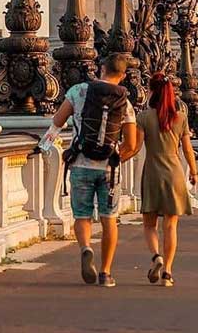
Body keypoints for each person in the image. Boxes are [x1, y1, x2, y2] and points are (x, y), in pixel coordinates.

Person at [45, 54, 138, 288]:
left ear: (101, 68)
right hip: (108, 170)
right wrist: (116, 159)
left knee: (82, 216)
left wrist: (44, 145)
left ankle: (86, 248)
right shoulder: (124, 102)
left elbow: (58, 120)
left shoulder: (79, 91)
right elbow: (132, 143)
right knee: (109, 219)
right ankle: (106, 273)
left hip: (80, 164)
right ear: (123, 75)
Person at [134, 72, 197, 288]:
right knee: (170, 226)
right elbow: (188, 149)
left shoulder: (143, 117)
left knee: (149, 224)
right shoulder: (180, 117)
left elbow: (134, 147)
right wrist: (195, 172)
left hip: (152, 172)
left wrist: (116, 158)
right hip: (174, 173)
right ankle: (168, 272)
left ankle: (156, 257)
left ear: (152, 91)